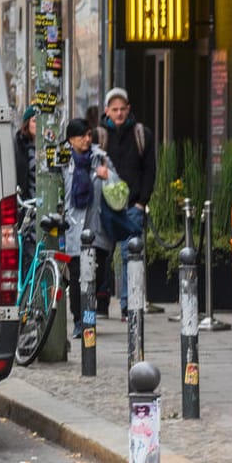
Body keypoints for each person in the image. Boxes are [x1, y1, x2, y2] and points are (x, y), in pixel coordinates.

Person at [97, 87, 155, 316]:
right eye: (114, 109)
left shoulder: (142, 135)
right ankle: (101, 304)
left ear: (128, 109)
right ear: (107, 111)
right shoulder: (99, 135)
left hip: (132, 206)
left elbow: (150, 170)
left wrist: (142, 201)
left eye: (122, 109)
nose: (119, 113)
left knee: (131, 257)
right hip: (105, 207)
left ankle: (128, 306)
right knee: (102, 256)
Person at [61, 118, 115, 339]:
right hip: (73, 229)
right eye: (82, 135)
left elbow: (118, 187)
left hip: (97, 229)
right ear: (71, 139)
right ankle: (79, 321)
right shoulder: (62, 161)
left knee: (95, 276)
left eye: (88, 134)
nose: (86, 139)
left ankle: (89, 319)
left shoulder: (100, 158)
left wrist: (108, 176)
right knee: (77, 277)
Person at [13, 106, 37, 201]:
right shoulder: (19, 144)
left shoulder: (50, 146)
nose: (39, 124)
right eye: (35, 121)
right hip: (25, 201)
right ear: (27, 123)